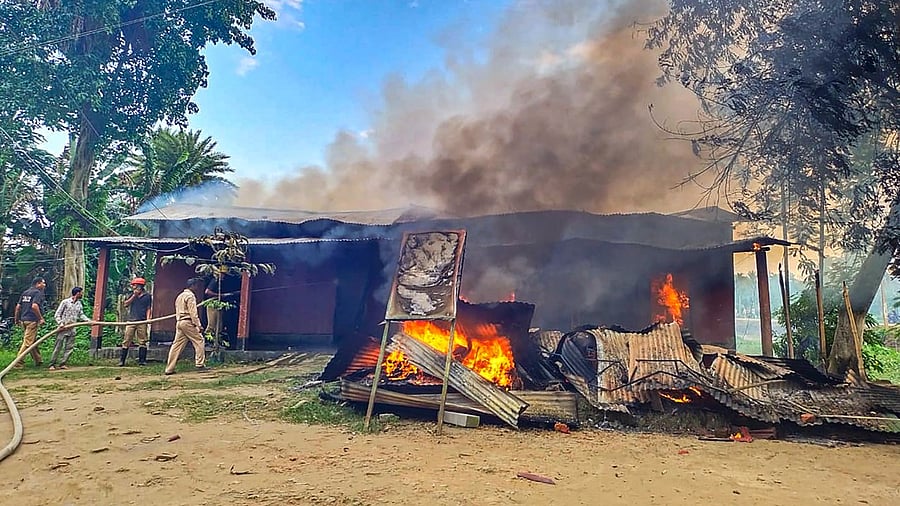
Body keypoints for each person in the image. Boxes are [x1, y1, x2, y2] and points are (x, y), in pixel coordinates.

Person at [164, 277, 207, 375]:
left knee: (176, 345)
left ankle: (169, 368)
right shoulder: (190, 296)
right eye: (196, 285)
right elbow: (193, 313)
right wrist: (198, 325)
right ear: (193, 286)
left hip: (179, 322)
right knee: (199, 340)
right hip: (187, 322)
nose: (197, 287)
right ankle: (200, 364)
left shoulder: (180, 296)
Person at [48, 287, 92, 370]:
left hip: (72, 328)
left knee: (69, 347)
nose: (82, 294)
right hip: (63, 328)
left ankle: (63, 363)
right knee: (58, 347)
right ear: (77, 293)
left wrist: (88, 321)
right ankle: (52, 364)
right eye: (81, 293)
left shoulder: (79, 304)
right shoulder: (65, 302)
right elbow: (57, 314)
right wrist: (60, 323)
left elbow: (81, 315)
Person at [13, 276, 47, 367]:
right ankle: (18, 362)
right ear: (38, 284)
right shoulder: (37, 293)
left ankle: (38, 360)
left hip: (24, 320)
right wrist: (40, 318)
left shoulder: (25, 292)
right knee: (28, 342)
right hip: (32, 320)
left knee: (32, 341)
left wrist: (16, 319)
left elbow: (18, 307)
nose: (44, 285)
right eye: (43, 283)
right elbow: (34, 306)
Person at [121, 277, 152, 366]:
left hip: (142, 321)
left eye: (134, 285)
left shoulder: (147, 296)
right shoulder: (131, 294)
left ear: (140, 286)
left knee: (142, 341)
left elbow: (148, 308)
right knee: (127, 340)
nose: (133, 286)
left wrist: (148, 319)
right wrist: (134, 296)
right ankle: (122, 361)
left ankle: (142, 361)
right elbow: (126, 304)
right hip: (131, 320)